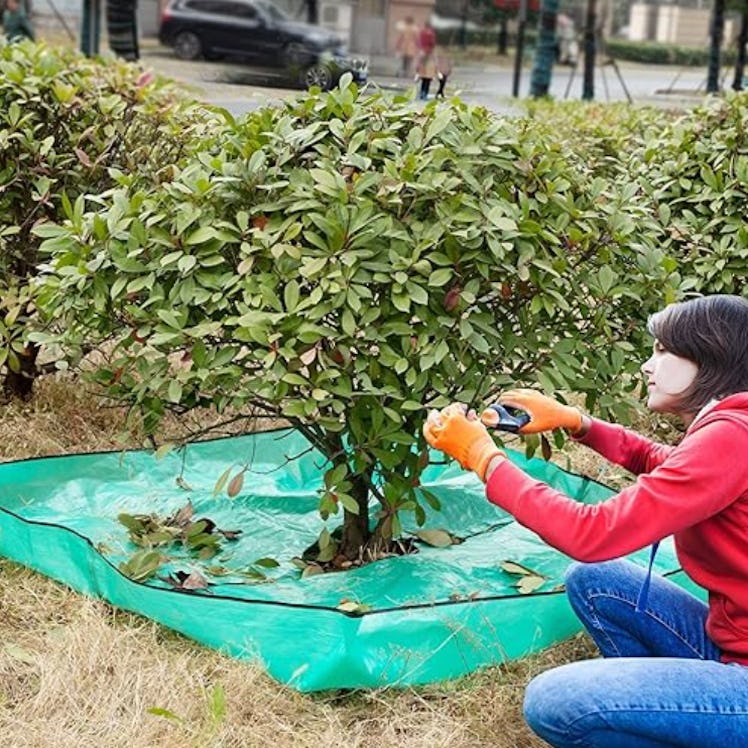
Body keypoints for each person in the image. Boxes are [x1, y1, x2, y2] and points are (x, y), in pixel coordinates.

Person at [423, 294, 748, 747]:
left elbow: (591, 533)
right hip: (733, 647)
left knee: (556, 700)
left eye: (661, 350)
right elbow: (664, 462)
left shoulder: (734, 436)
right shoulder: (733, 426)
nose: (646, 366)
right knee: (597, 582)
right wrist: (576, 421)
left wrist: (484, 458)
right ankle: (664, 713)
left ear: (708, 357)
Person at [415, 20, 437, 100]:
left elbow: (419, 42)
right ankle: (425, 93)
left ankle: (421, 92)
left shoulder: (422, 32)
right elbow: (432, 43)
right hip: (429, 52)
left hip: (423, 51)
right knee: (428, 76)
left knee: (422, 74)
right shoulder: (431, 33)